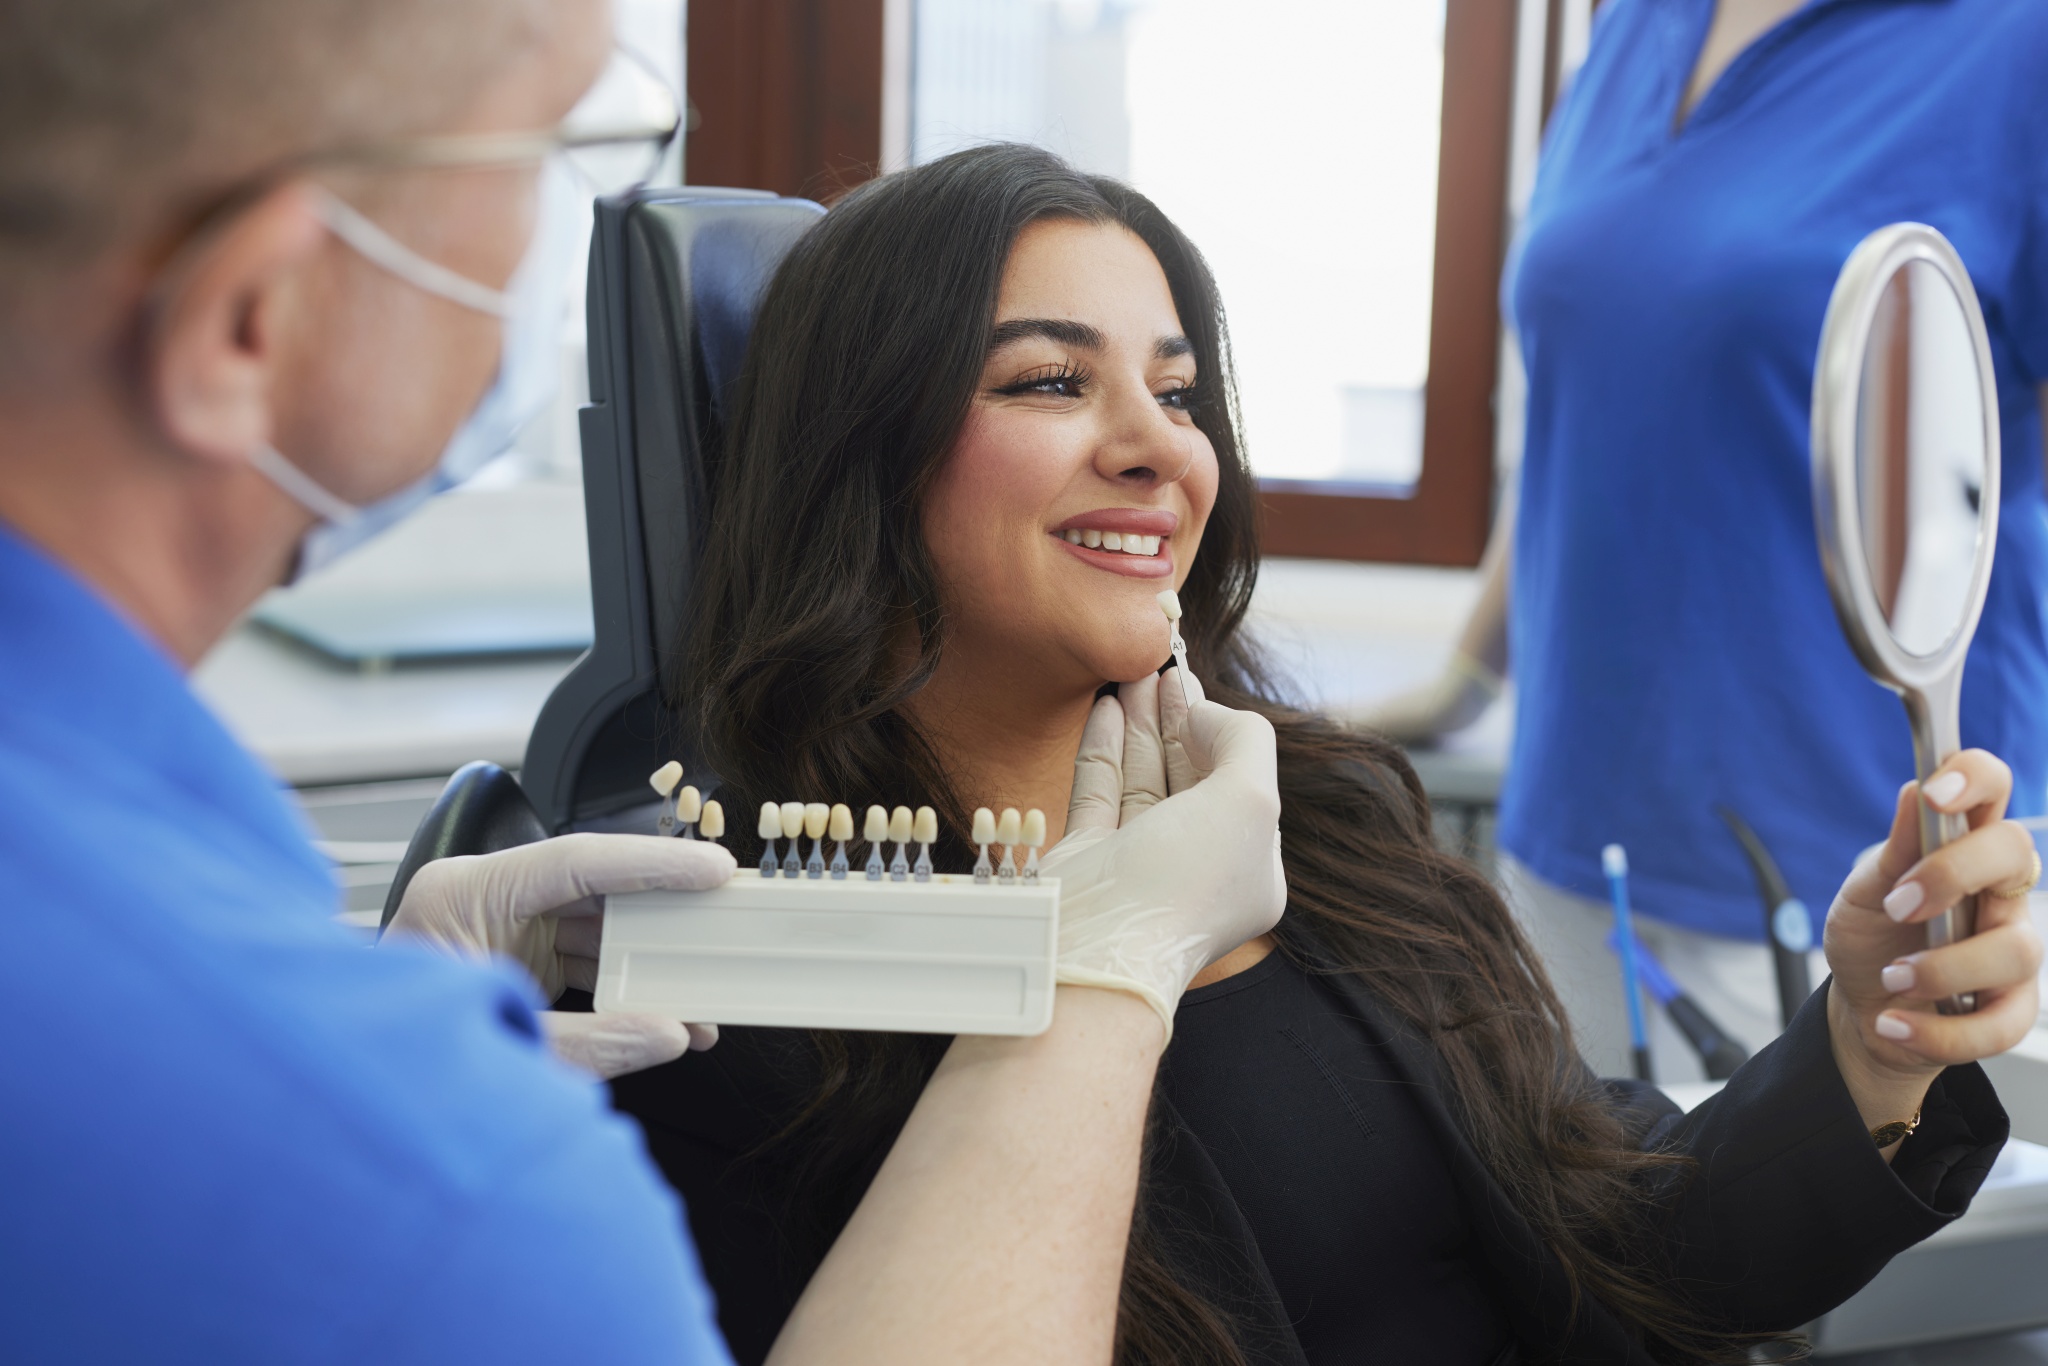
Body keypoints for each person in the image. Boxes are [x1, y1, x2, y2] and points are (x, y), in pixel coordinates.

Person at [591, 142, 2043, 1366]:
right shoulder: (745, 987)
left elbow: (1636, 1237)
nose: (1158, 447)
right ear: (862, 455)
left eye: (1176, 391)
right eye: (1048, 382)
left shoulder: (1331, 828)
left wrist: (1869, 1037)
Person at [0, 4, 1287, 1362]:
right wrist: (1103, 974)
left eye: (1179, 391)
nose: (1158, 451)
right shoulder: (460, 1201)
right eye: (536, 155)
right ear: (248, 319)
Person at [1358, 0, 2048, 1083]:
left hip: (1859, 885)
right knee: (1577, 1239)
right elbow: (1600, 397)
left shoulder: (2012, 44)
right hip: (1567, 840)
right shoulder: (1638, 18)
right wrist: (1462, 676)